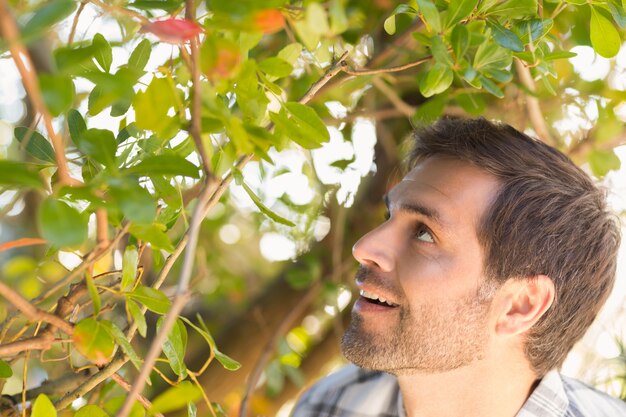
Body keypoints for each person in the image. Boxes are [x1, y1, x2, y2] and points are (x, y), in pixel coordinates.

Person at [291, 118, 626, 417]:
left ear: (520, 305)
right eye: (389, 217)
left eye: (424, 232)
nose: (364, 248)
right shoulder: (331, 404)